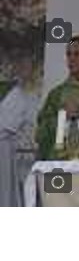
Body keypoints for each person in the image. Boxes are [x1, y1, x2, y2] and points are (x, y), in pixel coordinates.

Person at [0, 50, 41, 206]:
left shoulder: (34, 95)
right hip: (16, 160)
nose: (26, 69)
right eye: (22, 65)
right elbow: (5, 128)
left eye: (29, 65)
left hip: (34, 157)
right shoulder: (14, 95)